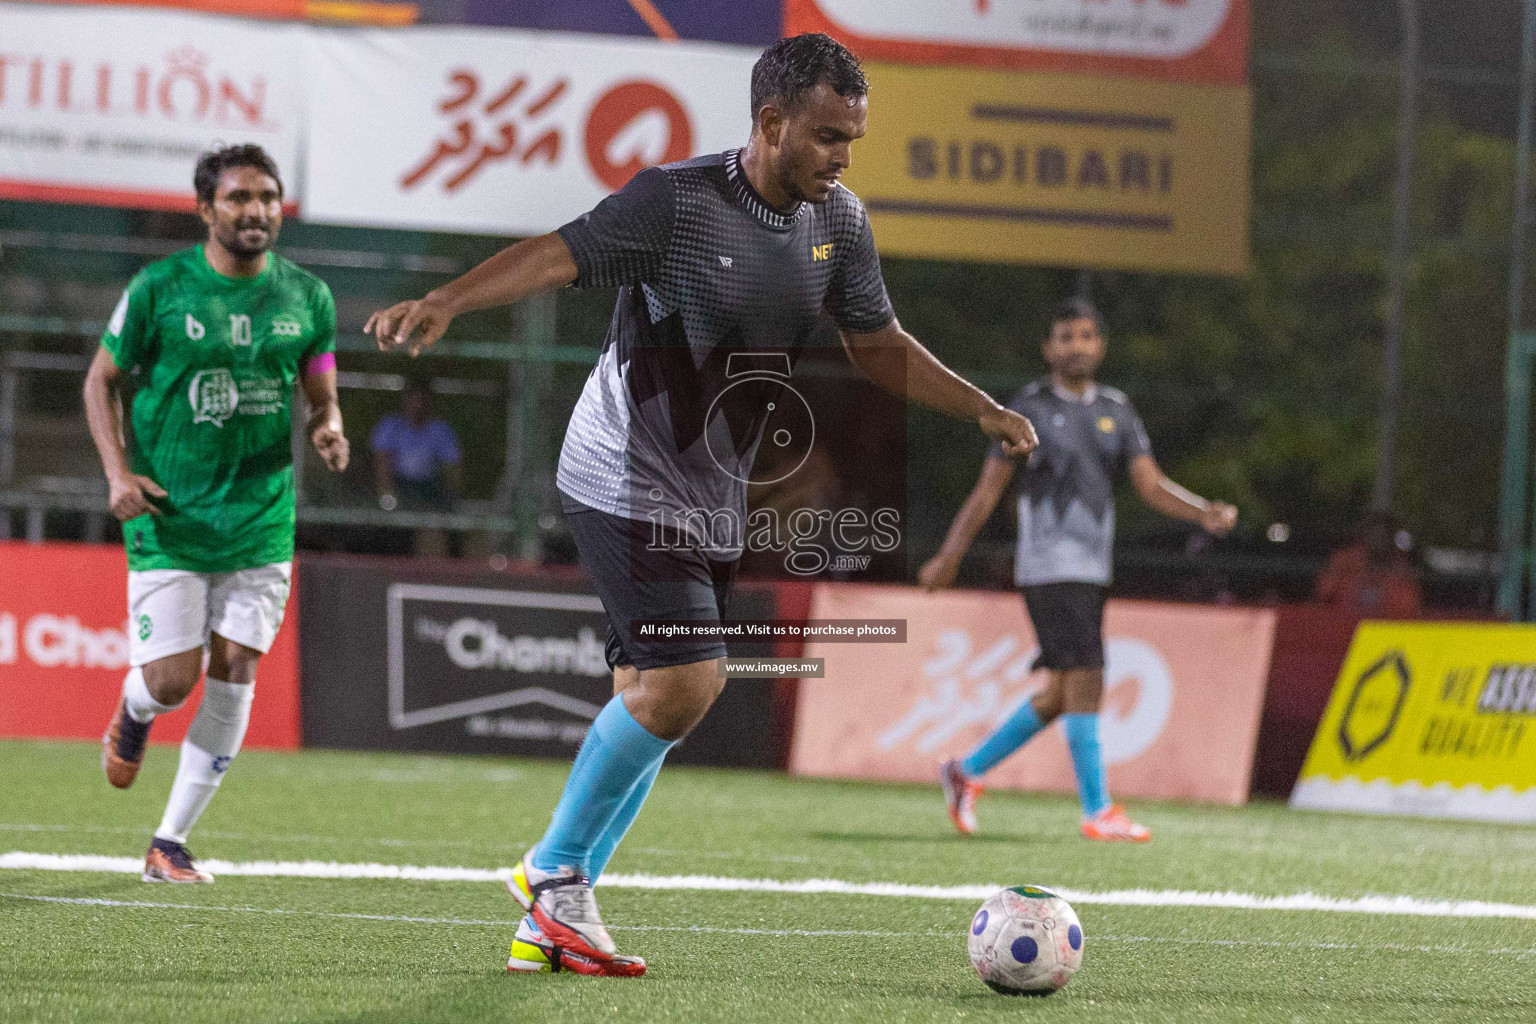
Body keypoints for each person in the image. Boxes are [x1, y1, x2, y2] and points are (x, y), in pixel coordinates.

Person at [366, 33, 1038, 977]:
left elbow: (876, 342)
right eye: (827, 135)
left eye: (852, 138)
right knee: (688, 684)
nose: (844, 156)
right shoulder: (677, 204)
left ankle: (555, 919)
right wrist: (450, 298)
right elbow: (562, 256)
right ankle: (552, 871)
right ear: (770, 122)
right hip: (624, 469)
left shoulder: (838, 224)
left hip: (712, 486)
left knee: (649, 695)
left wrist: (980, 405)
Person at [83, 144, 349, 884]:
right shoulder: (160, 288)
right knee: (170, 680)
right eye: (238, 198)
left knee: (236, 667)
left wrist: (329, 421)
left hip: (261, 518)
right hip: (170, 513)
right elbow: (100, 381)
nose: (255, 210)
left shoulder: (307, 296)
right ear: (206, 209)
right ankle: (134, 714)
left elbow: (318, 369)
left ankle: (169, 842)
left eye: (266, 196)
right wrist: (116, 473)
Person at [920, 297, 1236, 843]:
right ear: (1049, 348)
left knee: (1064, 692)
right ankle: (1098, 810)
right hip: (1048, 567)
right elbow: (988, 490)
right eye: (1066, 337)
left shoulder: (1118, 408)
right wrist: (950, 556)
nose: (1077, 346)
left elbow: (1150, 486)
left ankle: (964, 771)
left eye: (1087, 336)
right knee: (1089, 676)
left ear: (1101, 346)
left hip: (1093, 568)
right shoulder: (1027, 409)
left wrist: (1203, 512)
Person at [371, 376, 463, 556]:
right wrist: (388, 497)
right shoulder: (391, 426)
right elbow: (381, 465)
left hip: (428, 491)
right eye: (412, 399)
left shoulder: (440, 430)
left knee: (433, 527)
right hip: (400, 488)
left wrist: (449, 501)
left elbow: (454, 471)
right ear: (404, 400)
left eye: (422, 400)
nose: (417, 405)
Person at [1315, 511, 1422, 616]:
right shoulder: (1344, 561)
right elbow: (1324, 593)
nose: (1379, 540)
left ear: (1391, 539)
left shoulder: (1402, 571)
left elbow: (1408, 609)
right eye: (1374, 534)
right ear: (1365, 535)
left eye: (1384, 536)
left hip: (1381, 629)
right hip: (1339, 625)